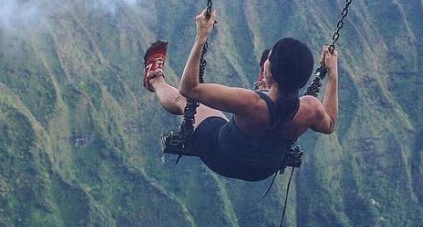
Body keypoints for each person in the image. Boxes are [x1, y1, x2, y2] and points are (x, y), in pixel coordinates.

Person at [143, 9, 338, 181]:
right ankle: (267, 88)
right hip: (263, 170)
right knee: (272, 106)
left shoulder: (249, 103)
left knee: (185, 101)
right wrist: (333, 74)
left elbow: (189, 88)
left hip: (221, 156)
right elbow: (329, 124)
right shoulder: (310, 108)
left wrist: (201, 37)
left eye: (269, 60)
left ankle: (154, 78)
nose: (268, 60)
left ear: (272, 70)